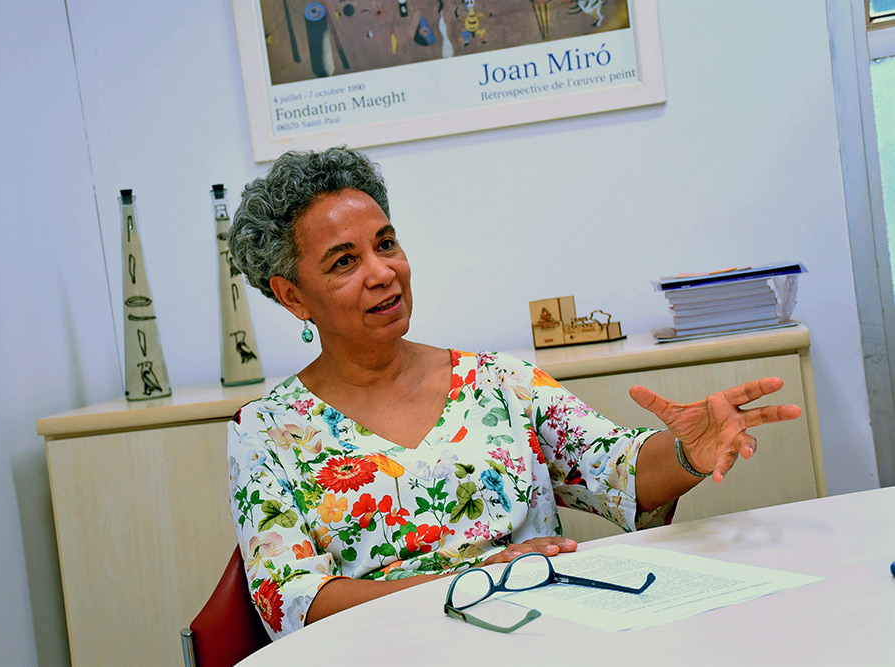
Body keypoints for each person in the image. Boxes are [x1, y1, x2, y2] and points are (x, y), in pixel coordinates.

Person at [226, 147, 801, 640]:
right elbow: (295, 602)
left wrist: (686, 452)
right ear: (293, 296)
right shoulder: (265, 431)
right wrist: (474, 582)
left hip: (539, 640)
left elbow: (617, 469)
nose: (382, 272)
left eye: (387, 244)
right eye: (345, 262)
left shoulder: (500, 381)